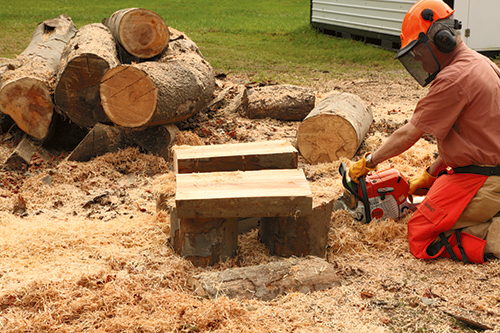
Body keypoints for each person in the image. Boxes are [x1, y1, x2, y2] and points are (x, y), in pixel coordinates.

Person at [348, 0, 500, 264]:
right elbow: (472, 136)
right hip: (481, 173)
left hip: (484, 182)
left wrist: (369, 162)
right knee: (427, 202)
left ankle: (494, 231)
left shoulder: (454, 79)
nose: (416, 58)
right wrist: (430, 175)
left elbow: (409, 133)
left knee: (421, 233)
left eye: (417, 50)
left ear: (441, 40)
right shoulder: (481, 63)